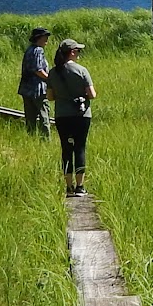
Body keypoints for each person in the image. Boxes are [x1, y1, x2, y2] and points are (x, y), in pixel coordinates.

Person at [52, 36, 96, 195]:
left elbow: (50, 96)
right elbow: (92, 94)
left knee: (66, 149)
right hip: (82, 115)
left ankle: (68, 187)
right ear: (71, 52)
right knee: (80, 148)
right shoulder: (82, 70)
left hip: (62, 115)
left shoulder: (53, 72)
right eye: (77, 51)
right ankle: (80, 187)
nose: (79, 54)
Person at [19, 27, 53, 138]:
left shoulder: (29, 50)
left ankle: (31, 138)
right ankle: (45, 139)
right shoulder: (38, 50)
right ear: (39, 38)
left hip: (26, 89)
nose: (47, 39)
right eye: (45, 36)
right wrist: (50, 80)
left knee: (30, 118)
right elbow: (38, 70)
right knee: (44, 116)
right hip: (38, 90)